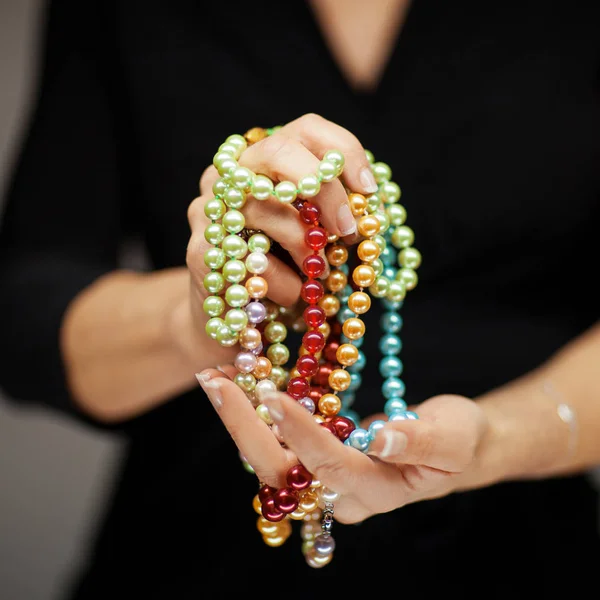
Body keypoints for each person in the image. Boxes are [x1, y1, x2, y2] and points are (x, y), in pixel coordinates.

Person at [1, 0, 599, 596]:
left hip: (524, 550)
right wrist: (201, 323)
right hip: (193, 555)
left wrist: (498, 436)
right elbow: (24, 313)